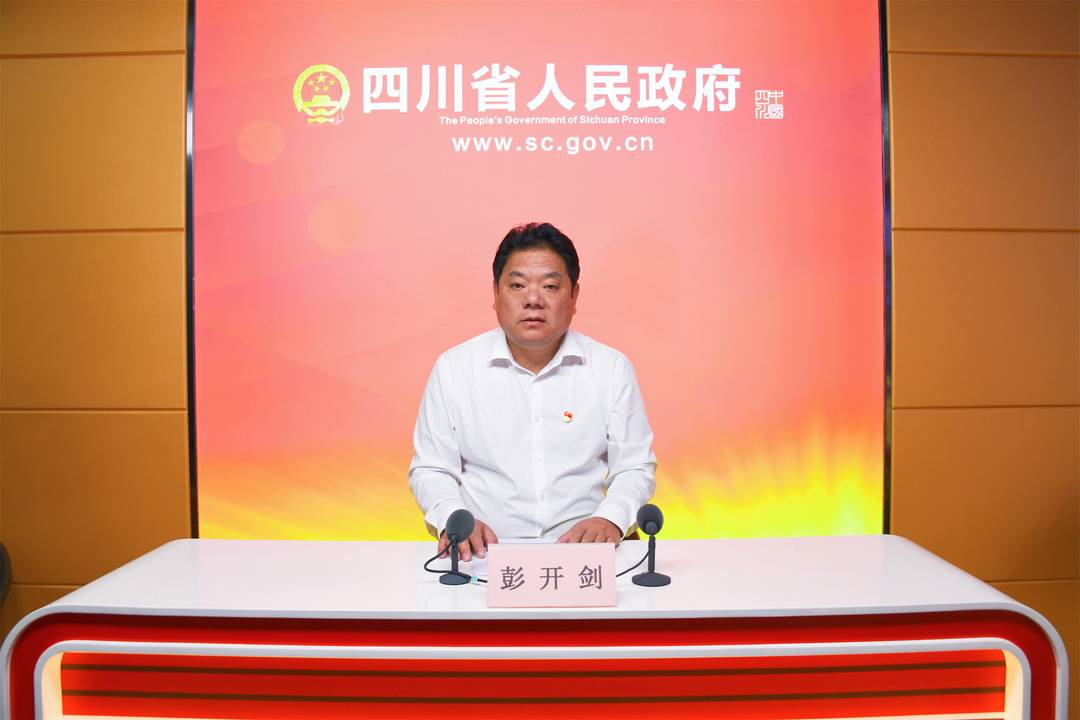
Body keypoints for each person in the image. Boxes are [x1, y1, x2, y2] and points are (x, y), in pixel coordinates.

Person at [408, 222, 656, 561]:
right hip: (483, 556)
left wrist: (610, 519)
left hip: (587, 557)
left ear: (574, 297)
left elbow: (634, 466)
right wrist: (454, 516)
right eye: (517, 285)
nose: (533, 300)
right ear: (496, 294)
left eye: (550, 286)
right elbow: (431, 468)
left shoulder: (610, 367)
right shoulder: (454, 368)